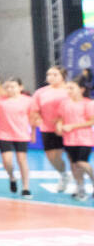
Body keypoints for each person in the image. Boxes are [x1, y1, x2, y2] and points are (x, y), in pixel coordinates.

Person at [0, 78, 35, 196]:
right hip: (4, 134)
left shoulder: (28, 101)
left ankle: (26, 187)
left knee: (22, 160)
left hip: (21, 134)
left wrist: (33, 132)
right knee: (7, 161)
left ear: (20, 87)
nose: (10, 89)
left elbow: (32, 118)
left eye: (13, 87)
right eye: (7, 87)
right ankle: (12, 177)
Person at [31, 65, 73, 193]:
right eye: (49, 74)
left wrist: (62, 121)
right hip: (48, 129)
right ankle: (64, 174)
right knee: (52, 157)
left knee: (74, 158)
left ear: (63, 76)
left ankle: (79, 184)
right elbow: (35, 110)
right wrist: (37, 119)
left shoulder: (70, 89)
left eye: (55, 74)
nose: (51, 77)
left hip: (69, 129)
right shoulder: (40, 92)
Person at [58, 80, 94, 201]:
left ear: (82, 89)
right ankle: (80, 187)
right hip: (69, 139)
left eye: (72, 88)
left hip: (85, 139)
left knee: (81, 162)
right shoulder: (64, 104)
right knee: (74, 165)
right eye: (67, 88)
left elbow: (91, 121)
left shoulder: (88, 104)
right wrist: (59, 125)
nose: (68, 91)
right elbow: (60, 118)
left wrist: (73, 126)